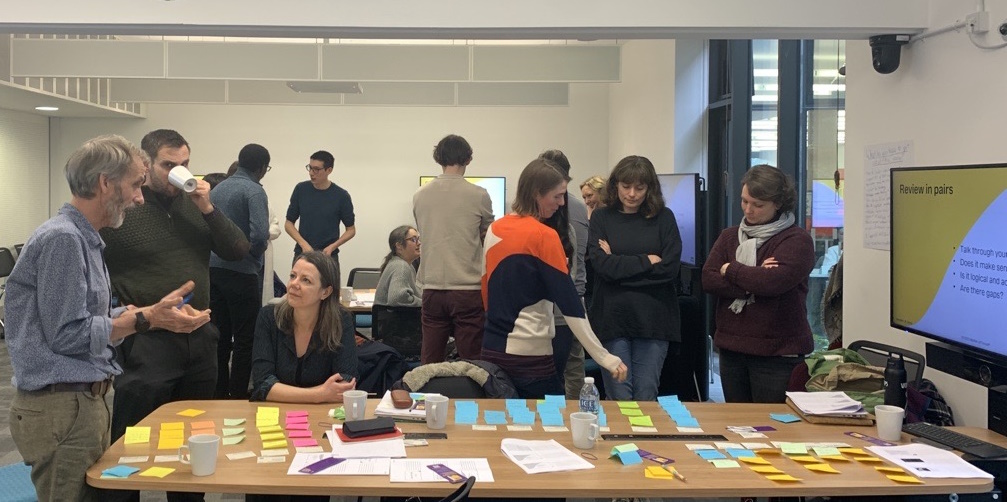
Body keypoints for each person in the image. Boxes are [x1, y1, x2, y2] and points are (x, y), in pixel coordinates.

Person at [6, 135, 210, 502]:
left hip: (81, 403)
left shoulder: (86, 239)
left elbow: (84, 318)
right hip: (60, 409)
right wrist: (144, 320)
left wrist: (130, 313)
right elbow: (67, 336)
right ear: (104, 183)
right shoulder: (63, 240)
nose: (139, 197)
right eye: (134, 184)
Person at [100, 129, 249, 502]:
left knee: (193, 442)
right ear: (146, 165)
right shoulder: (123, 210)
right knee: (130, 444)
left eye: (184, 164)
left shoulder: (194, 205)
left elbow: (237, 249)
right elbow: (89, 269)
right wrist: (120, 312)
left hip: (200, 340)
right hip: (147, 340)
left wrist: (208, 207)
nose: (178, 172)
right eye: (169, 165)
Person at [482, 158, 627, 399]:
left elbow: (485, 287)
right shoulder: (545, 236)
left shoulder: (495, 228)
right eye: (557, 196)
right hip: (531, 356)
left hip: (491, 348)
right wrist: (605, 358)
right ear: (537, 193)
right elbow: (571, 305)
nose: (561, 204)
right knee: (548, 422)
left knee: (502, 423)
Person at [702, 164, 815, 403]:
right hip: (732, 349)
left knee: (772, 428)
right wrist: (753, 276)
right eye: (744, 201)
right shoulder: (730, 236)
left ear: (778, 204)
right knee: (738, 425)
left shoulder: (796, 240)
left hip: (776, 354)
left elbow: (773, 283)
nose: (748, 210)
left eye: (758, 204)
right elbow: (709, 278)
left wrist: (730, 269)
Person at [249, 251, 357, 502]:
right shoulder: (269, 316)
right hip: (270, 422)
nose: (294, 284)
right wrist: (319, 394)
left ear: (325, 292)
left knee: (311, 490)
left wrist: (288, 392)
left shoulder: (340, 319)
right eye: (293, 275)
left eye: (306, 280)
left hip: (317, 426)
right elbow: (263, 384)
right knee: (265, 487)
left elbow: (345, 382)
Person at [587, 155, 682, 401]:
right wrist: (646, 261)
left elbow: (670, 270)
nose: (632, 194)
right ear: (615, 185)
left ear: (650, 188)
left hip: (653, 320)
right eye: (625, 187)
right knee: (619, 396)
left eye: (639, 188)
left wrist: (617, 266)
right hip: (612, 319)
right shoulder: (601, 217)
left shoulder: (665, 218)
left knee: (645, 394)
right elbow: (601, 266)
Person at [413, 134, 494, 363]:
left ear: (438, 158)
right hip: (468, 287)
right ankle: (472, 399)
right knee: (472, 360)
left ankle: (429, 398)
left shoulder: (419, 195)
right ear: (468, 159)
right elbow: (488, 235)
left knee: (430, 359)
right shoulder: (479, 195)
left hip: (432, 286)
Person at [209, 144, 272, 399]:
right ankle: (238, 396)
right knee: (245, 339)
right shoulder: (254, 191)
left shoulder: (218, 188)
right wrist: (254, 256)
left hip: (213, 271)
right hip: (242, 273)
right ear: (261, 168)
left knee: (220, 337)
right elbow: (260, 234)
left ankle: (218, 393)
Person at [538, 149, 590, 400]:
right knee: (573, 368)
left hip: (555, 304)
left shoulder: (556, 214)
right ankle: (575, 414)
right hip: (576, 295)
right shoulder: (581, 207)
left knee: (551, 370)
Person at [285, 150, 356, 288]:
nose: (311, 172)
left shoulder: (341, 196)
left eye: (317, 169)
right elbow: (288, 224)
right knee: (298, 293)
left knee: (329, 296)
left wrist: (333, 246)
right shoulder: (301, 189)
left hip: (329, 256)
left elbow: (351, 230)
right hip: (303, 254)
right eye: (310, 168)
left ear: (329, 170)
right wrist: (303, 244)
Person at [375, 225, 423, 308]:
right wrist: (426, 304)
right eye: (413, 239)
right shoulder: (401, 266)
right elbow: (397, 298)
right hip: (396, 320)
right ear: (399, 246)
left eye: (418, 239)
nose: (419, 243)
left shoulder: (404, 264)